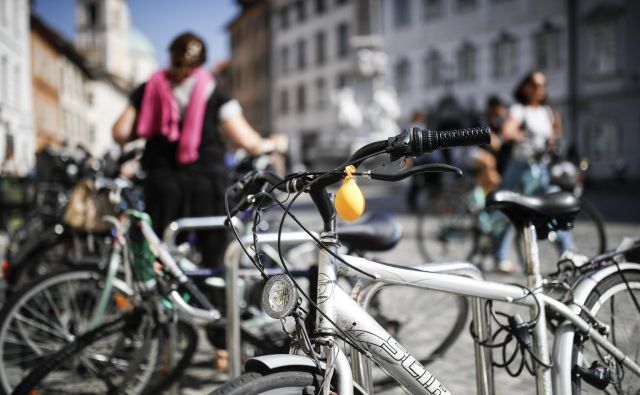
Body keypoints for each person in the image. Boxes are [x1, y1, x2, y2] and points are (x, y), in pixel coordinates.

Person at [112, 32, 280, 268]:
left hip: (162, 184)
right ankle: (211, 301)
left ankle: (166, 301)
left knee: (161, 254)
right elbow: (247, 140)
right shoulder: (213, 90)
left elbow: (120, 131)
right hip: (206, 184)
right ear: (202, 60)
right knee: (213, 256)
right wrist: (270, 144)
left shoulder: (150, 88)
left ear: (171, 55)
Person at [493, 70, 572, 272]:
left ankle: (568, 252)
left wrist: (553, 142)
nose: (540, 89)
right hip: (520, 166)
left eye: (542, 85)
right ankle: (500, 255)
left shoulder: (547, 111)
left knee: (552, 207)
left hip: (540, 166)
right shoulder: (520, 110)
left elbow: (555, 133)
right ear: (525, 87)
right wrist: (518, 135)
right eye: (535, 85)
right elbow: (507, 130)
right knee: (507, 208)